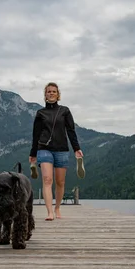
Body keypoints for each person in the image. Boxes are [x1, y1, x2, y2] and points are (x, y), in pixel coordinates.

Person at [29, 82, 84, 221]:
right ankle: (49, 212)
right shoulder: (40, 113)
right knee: (47, 180)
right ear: (45, 95)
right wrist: (33, 153)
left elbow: (71, 131)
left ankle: (57, 207)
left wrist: (76, 149)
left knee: (60, 182)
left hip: (61, 150)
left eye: (54, 91)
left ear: (58, 95)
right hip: (44, 149)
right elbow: (35, 134)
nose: (51, 93)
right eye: (49, 92)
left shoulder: (65, 111)